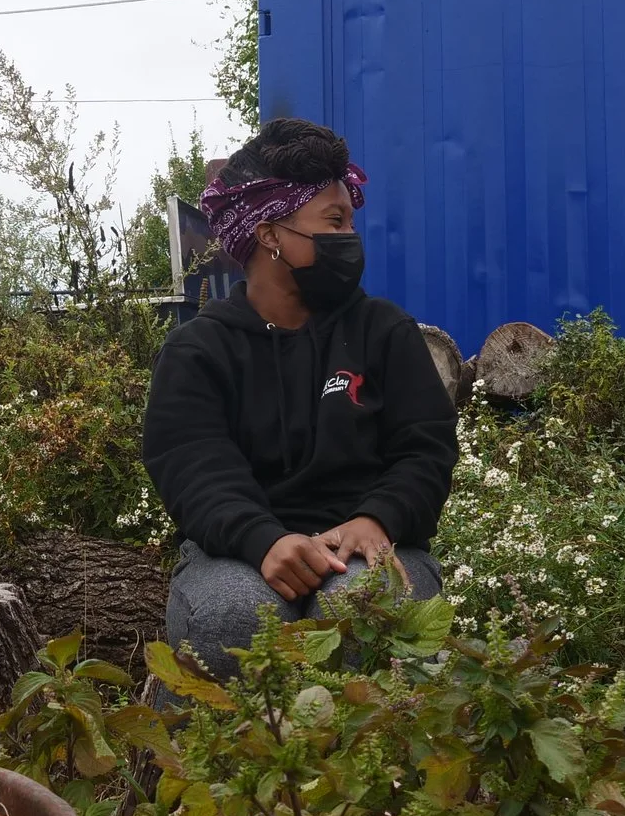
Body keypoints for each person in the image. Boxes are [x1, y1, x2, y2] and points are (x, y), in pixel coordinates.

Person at [141, 118, 458, 677]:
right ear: (270, 234)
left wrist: (377, 518)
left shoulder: (384, 331)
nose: (349, 238)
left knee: (361, 606)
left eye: (350, 222)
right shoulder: (199, 349)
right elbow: (190, 463)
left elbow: (426, 447)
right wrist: (263, 539)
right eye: (333, 222)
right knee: (235, 615)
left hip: (373, 546)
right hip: (236, 552)